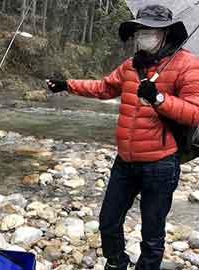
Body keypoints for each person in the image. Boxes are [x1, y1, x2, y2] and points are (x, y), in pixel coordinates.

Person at [47, 5, 199, 270]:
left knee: (152, 233)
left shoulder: (187, 65)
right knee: (108, 221)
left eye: (150, 31)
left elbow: (195, 113)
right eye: (140, 31)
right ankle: (117, 263)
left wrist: (159, 98)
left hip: (160, 164)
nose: (143, 36)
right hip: (125, 161)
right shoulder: (132, 65)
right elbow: (105, 88)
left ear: (165, 33)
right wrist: (67, 85)